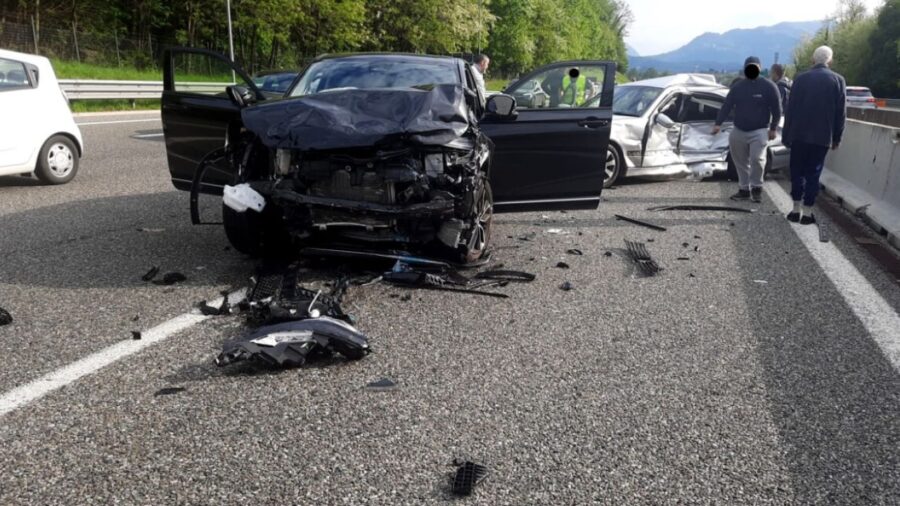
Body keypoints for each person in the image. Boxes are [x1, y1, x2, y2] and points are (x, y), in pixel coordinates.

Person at [781, 45, 846, 224]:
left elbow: (790, 110)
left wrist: (786, 135)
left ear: (812, 60)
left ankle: (795, 209)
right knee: (813, 173)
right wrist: (837, 137)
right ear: (830, 61)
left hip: (799, 134)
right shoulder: (838, 80)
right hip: (822, 136)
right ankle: (808, 213)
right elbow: (840, 114)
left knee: (797, 171)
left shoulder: (800, 79)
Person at [712, 56, 782, 203]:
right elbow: (727, 105)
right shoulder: (738, 86)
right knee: (740, 162)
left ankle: (757, 188)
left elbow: (777, 108)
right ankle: (744, 189)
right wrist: (718, 123)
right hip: (739, 130)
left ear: (759, 68)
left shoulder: (769, 86)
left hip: (760, 130)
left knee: (757, 159)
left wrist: (773, 128)